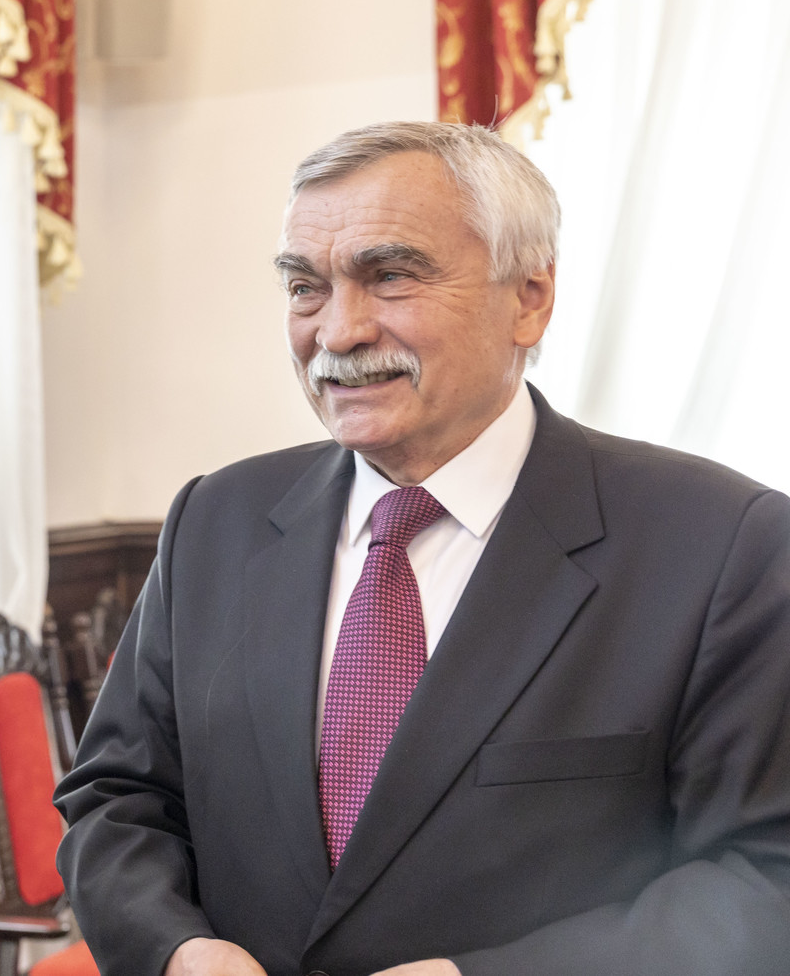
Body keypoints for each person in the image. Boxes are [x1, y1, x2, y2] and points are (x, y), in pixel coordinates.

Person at [53, 121, 790, 976]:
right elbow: (117, 800)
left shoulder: (722, 544)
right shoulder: (215, 519)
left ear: (530, 298)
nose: (338, 332)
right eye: (305, 287)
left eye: (390, 276)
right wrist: (176, 952)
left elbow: (765, 877)